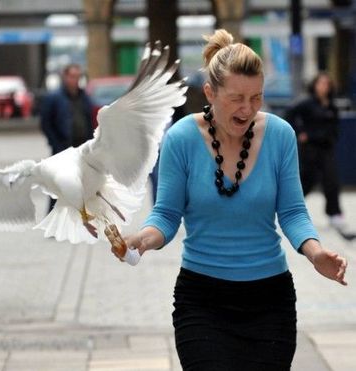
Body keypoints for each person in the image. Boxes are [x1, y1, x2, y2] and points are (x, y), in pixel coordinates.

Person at [114, 29, 348, 370]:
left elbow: (294, 212)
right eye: (237, 98)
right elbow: (166, 215)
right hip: (202, 301)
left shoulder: (280, 135)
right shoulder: (181, 139)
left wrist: (315, 254)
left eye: (256, 98)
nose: (248, 108)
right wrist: (141, 240)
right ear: (210, 92)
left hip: (270, 301)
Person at [285, 72, 347, 231]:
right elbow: (289, 113)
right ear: (314, 85)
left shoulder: (331, 104)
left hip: (326, 148)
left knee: (331, 181)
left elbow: (334, 125)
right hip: (310, 149)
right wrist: (300, 133)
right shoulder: (306, 102)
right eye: (321, 83)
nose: (324, 86)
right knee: (306, 180)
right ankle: (288, 209)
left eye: (327, 83)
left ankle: (335, 214)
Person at [40, 64, 94, 211]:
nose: (75, 80)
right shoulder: (54, 98)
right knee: (57, 185)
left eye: (78, 77)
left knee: (82, 183)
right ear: (65, 77)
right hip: (62, 147)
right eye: (72, 76)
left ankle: (81, 217)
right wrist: (55, 143)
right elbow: (46, 123)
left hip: (82, 147)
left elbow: (90, 120)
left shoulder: (84, 97)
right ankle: (53, 218)